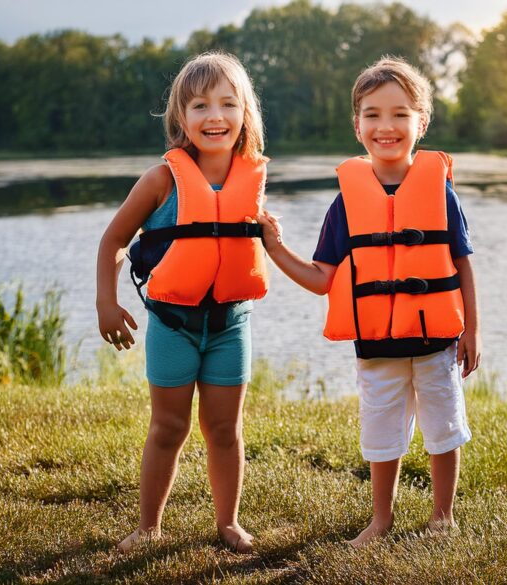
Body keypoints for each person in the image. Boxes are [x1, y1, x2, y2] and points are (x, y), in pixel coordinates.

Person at [256, 56, 480, 547]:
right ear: (357, 126)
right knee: (381, 434)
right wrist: (274, 248)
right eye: (373, 114)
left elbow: (463, 264)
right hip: (376, 345)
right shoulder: (344, 204)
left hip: (438, 339)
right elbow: (320, 279)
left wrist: (473, 331)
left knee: (444, 427)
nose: (387, 126)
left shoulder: (442, 195)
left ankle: (443, 515)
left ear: (421, 122)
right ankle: (381, 519)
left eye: (400, 113)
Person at [96, 51, 269, 554]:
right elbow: (112, 242)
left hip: (231, 326)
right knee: (168, 426)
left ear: (244, 114)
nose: (214, 116)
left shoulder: (251, 177)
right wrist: (107, 303)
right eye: (199, 106)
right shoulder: (161, 180)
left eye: (226, 104)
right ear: (181, 118)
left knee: (224, 429)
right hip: (172, 325)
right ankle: (149, 525)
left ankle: (228, 523)